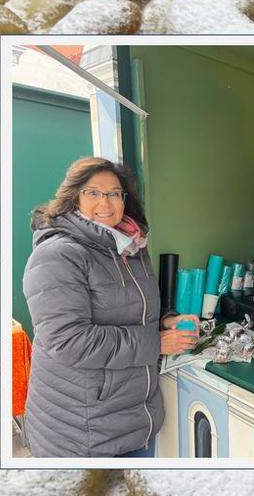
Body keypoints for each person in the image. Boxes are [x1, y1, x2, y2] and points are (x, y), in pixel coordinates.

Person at [22, 157, 199, 458]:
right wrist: (155, 343)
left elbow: (129, 311)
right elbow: (69, 341)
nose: (105, 202)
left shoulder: (130, 246)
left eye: (115, 193)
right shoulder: (58, 254)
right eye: (93, 193)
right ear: (73, 197)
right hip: (82, 434)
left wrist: (164, 322)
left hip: (135, 421)